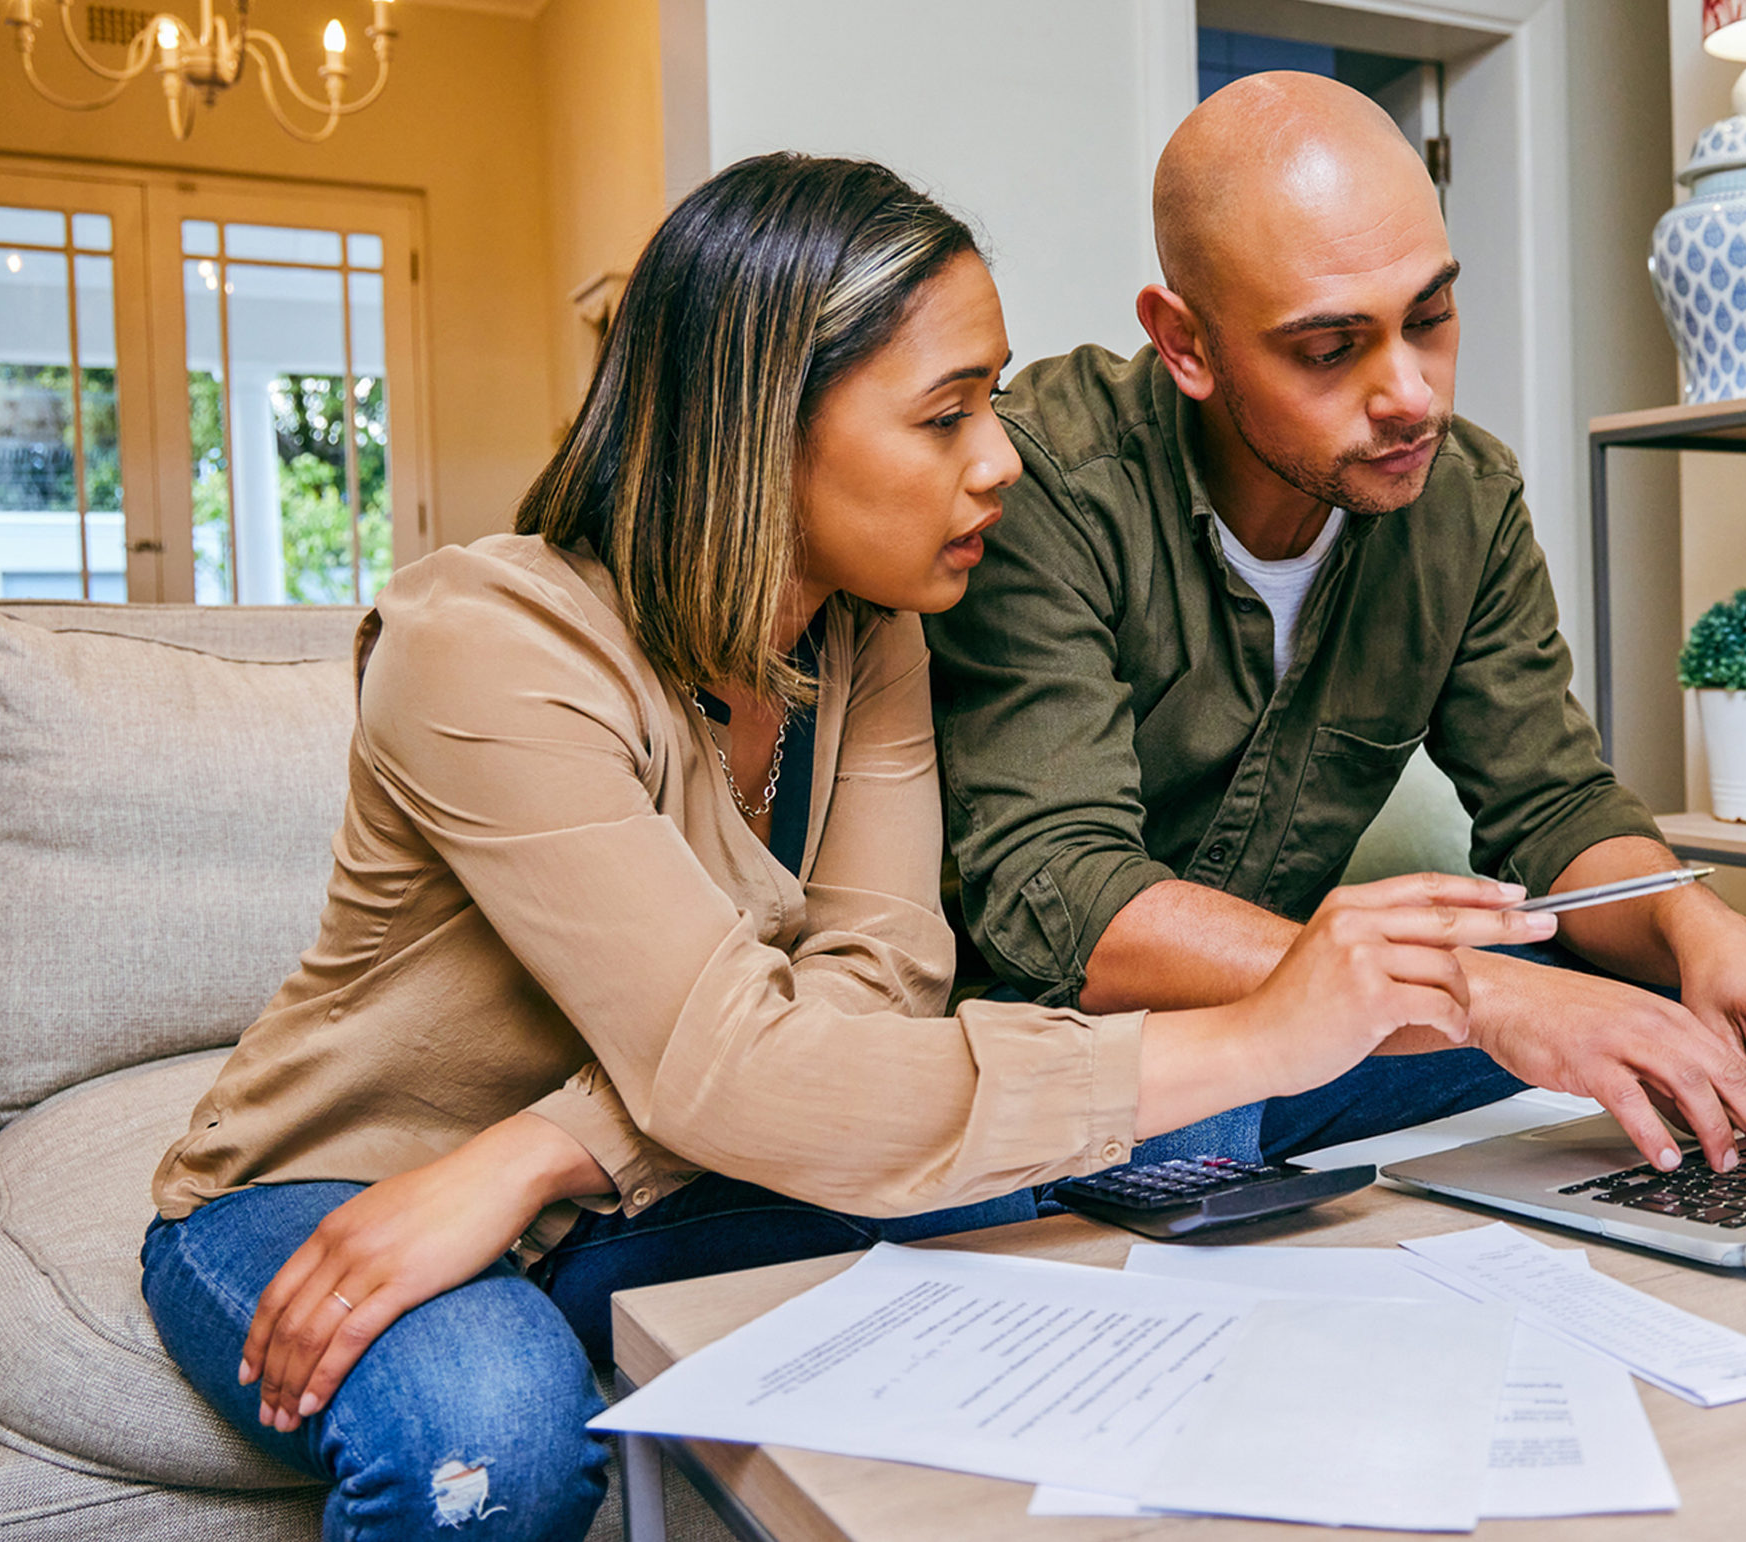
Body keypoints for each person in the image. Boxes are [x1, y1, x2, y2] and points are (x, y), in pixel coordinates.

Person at [138, 152, 1553, 1542]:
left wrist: (543, 1156)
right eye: (945, 417)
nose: (999, 461)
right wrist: (1266, 1033)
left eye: (992, 401)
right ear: (759, 429)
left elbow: (874, 992)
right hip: (360, 1177)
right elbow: (747, 1067)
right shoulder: (484, 646)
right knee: (491, 1432)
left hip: (615, 1179)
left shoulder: (867, 633)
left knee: (1097, 1196)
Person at [925, 73, 1746, 1180]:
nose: (1412, 395)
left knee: (1649, 1019)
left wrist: (1695, 922)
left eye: (1432, 316)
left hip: (1318, 1045)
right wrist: (1479, 990)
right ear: (1186, 343)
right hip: (1079, 1055)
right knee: (1297, 1100)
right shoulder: (1044, 481)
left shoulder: (1465, 497)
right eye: (1329, 348)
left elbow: (1551, 804)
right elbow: (1063, 891)